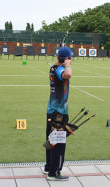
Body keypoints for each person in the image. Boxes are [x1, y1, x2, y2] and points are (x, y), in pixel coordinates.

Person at [44, 46, 72, 181]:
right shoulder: (61, 69)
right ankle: (54, 173)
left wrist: (62, 61)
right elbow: (68, 74)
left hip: (51, 111)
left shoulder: (53, 67)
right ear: (66, 59)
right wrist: (67, 65)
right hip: (59, 113)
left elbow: (58, 67)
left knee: (51, 139)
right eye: (70, 58)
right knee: (59, 143)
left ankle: (49, 167)